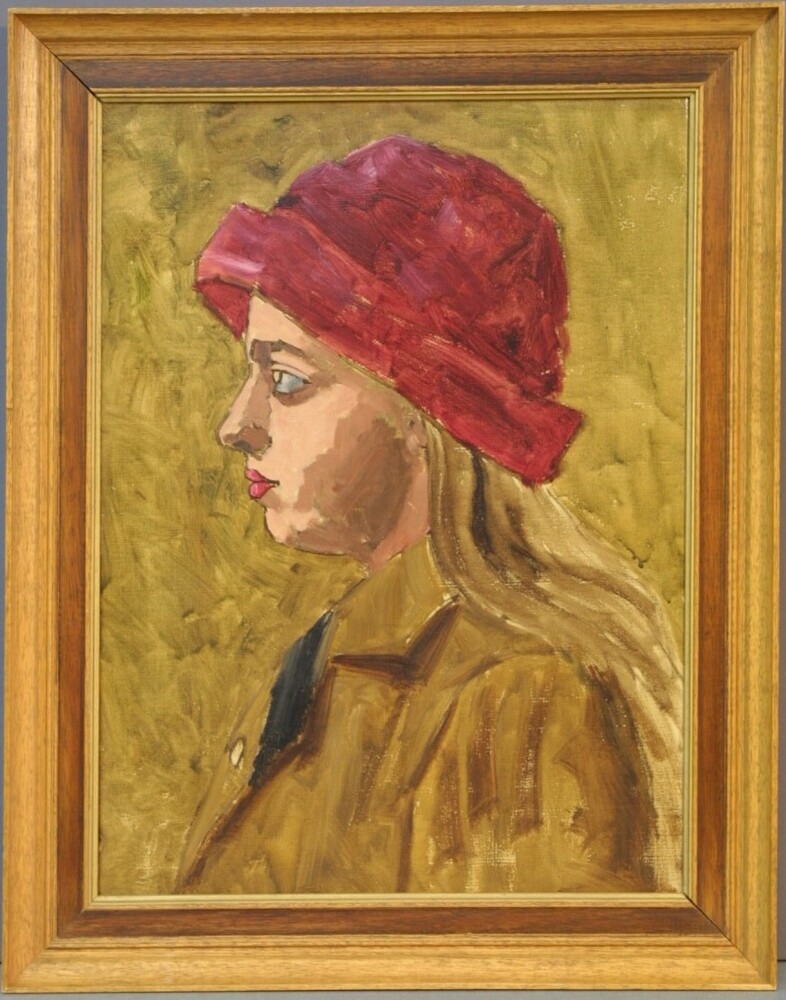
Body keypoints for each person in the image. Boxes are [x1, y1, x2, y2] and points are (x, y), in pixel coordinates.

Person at [176, 135, 682, 895]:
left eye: (284, 381)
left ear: (423, 415)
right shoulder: (333, 656)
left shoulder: (520, 700)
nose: (236, 426)